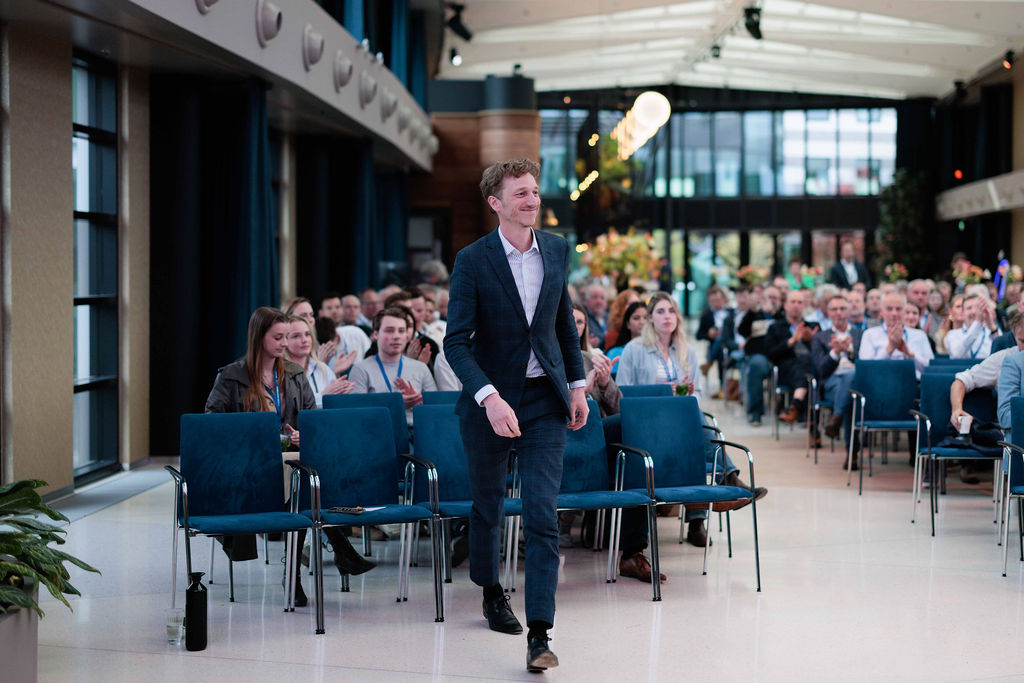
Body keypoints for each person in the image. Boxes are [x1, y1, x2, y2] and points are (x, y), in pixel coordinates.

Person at [443, 158, 588, 672]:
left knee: (543, 513)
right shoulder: (472, 260)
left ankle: (540, 633)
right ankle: (490, 591)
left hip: (545, 400)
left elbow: (562, 325)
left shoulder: (556, 249)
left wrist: (577, 386)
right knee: (487, 506)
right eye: (520, 193)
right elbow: (455, 343)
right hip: (490, 402)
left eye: (534, 192)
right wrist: (489, 397)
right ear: (496, 203)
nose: (532, 200)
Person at [205, 307, 373, 607]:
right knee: (304, 490)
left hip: (291, 460)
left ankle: (299, 573)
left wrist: (302, 434)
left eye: (286, 337)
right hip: (248, 467)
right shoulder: (231, 376)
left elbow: (311, 419)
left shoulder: (294, 373)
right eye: (278, 337)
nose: (284, 344)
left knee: (308, 481)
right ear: (259, 337)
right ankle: (336, 552)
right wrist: (253, 437)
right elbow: (212, 426)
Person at [616, 292, 766, 545]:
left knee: (691, 420)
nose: (667, 316)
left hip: (678, 422)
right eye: (660, 311)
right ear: (650, 318)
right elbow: (624, 393)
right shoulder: (635, 349)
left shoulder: (687, 351)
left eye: (671, 311)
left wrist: (684, 395)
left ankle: (699, 520)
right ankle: (726, 481)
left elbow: (696, 393)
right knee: (693, 427)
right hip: (645, 421)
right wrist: (665, 393)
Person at [349, 307, 437, 424]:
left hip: (416, 431)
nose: (396, 336)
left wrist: (418, 403)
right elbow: (356, 412)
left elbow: (435, 410)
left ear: (407, 335)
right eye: (389, 331)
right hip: (377, 430)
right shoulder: (361, 369)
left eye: (401, 331)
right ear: (376, 334)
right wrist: (394, 403)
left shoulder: (421, 368)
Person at [811, 295, 862, 467]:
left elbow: (866, 363)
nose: (838, 312)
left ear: (848, 311)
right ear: (828, 312)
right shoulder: (820, 337)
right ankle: (852, 453)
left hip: (857, 383)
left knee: (850, 383)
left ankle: (837, 417)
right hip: (832, 383)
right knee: (850, 398)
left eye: (842, 308)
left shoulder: (861, 335)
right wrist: (835, 353)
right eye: (834, 309)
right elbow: (821, 369)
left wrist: (850, 352)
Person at [767, 289, 820, 426]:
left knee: (809, 366)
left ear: (804, 305)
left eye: (800, 302)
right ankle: (807, 419)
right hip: (787, 370)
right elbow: (770, 353)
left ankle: (794, 405)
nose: (796, 305)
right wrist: (791, 342)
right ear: (785, 305)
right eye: (793, 302)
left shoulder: (813, 326)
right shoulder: (775, 327)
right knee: (807, 371)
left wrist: (812, 341)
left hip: (812, 370)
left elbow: (821, 353)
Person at [283, 316, 353, 408]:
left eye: (307, 334)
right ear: (284, 341)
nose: (304, 340)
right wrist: (324, 396)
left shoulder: (323, 368)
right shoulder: (280, 372)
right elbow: (291, 407)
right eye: (296, 336)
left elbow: (336, 405)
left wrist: (342, 392)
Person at [859, 291, 933, 377]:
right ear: (881, 311)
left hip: (915, 382)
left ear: (904, 311)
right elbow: (866, 370)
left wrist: (910, 354)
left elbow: (930, 368)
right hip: (880, 382)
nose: (894, 313)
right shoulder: (869, 334)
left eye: (898, 309)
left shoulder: (920, 335)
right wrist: (890, 348)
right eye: (889, 309)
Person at [696, 285, 734, 398]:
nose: (716, 303)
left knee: (723, 338)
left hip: (731, 345)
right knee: (721, 347)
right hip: (716, 348)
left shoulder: (732, 312)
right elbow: (698, 335)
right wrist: (709, 334)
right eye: (713, 301)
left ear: (724, 299)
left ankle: (709, 362)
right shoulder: (706, 315)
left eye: (718, 300)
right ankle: (723, 386)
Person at [947, 293, 998, 360]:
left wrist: (992, 326)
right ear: (963, 312)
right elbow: (956, 355)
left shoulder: (991, 331)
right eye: (969, 308)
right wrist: (978, 322)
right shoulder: (953, 334)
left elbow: (1003, 354)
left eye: (977, 308)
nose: (973, 312)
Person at [606, 300, 647, 369]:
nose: (642, 322)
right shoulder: (615, 353)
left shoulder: (659, 350)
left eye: (645, 318)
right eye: (636, 318)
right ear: (628, 324)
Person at [583, 284, 609, 350]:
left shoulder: (610, 318)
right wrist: (586, 344)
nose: (599, 301)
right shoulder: (583, 320)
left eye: (602, 298)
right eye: (595, 297)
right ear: (586, 301)